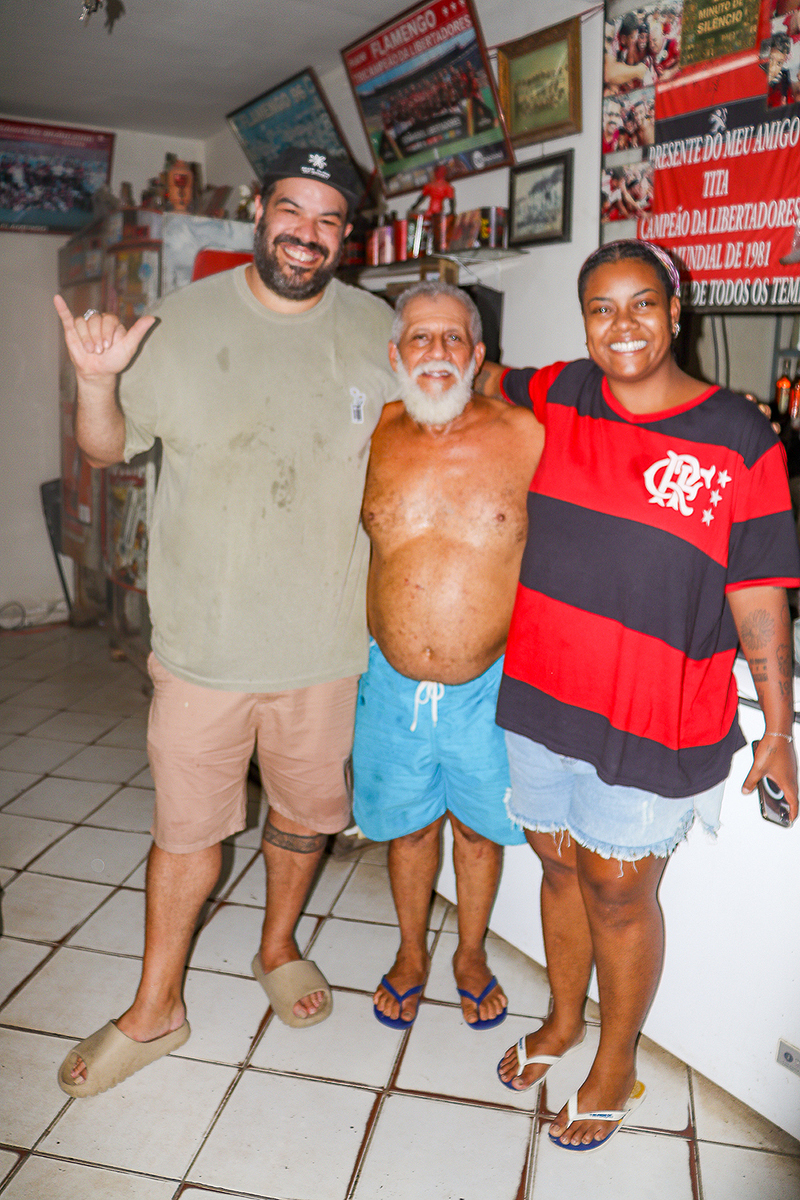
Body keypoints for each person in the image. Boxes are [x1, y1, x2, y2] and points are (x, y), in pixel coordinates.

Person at [52, 147, 398, 1097]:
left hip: (325, 649)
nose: (308, 235)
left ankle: (278, 949)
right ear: (259, 209)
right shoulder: (182, 320)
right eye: (293, 211)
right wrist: (94, 381)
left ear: (346, 235)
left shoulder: (379, 330)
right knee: (187, 834)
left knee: (302, 817)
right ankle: (155, 1007)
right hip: (204, 647)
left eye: (329, 220)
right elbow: (111, 446)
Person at [476, 240, 800, 1152]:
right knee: (557, 867)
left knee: (620, 892)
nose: (622, 327)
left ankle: (615, 1060)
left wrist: (777, 727)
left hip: (654, 712)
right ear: (585, 322)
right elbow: (486, 373)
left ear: (676, 308)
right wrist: (431, 354)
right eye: (601, 309)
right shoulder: (566, 389)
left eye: (641, 305)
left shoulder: (741, 434)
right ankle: (564, 1018)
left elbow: (759, 593)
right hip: (542, 694)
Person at [352, 281, 543, 1030]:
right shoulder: (370, 435)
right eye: (421, 339)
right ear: (396, 354)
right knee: (408, 826)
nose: (437, 353)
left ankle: (469, 953)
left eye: (453, 338)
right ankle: (410, 952)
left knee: (476, 827)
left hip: (488, 686)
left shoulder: (526, 435)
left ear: (479, 354)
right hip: (389, 682)